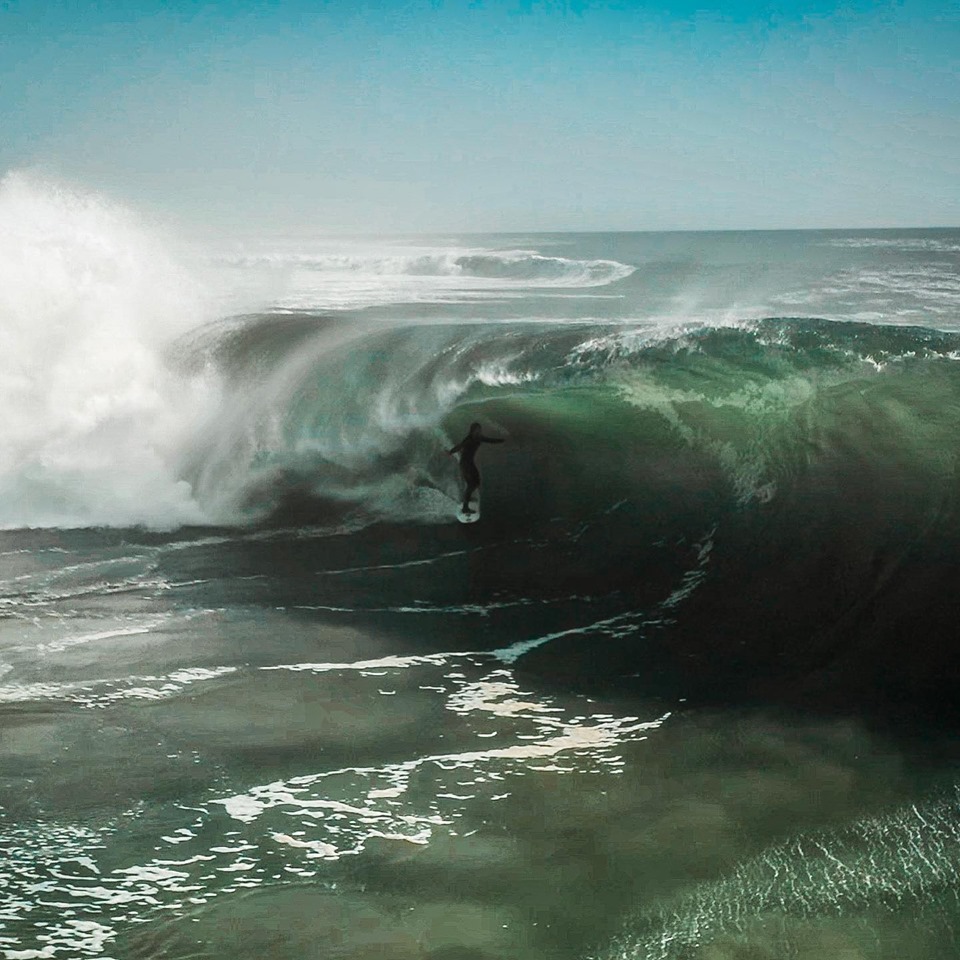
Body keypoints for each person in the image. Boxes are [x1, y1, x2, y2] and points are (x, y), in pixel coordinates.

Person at [447, 422, 504, 515]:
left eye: (479, 430)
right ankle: (465, 507)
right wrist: (450, 452)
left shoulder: (479, 437)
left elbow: (490, 440)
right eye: (477, 430)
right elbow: (460, 446)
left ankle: (467, 498)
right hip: (465, 464)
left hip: (469, 463)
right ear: (472, 430)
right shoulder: (469, 439)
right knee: (473, 484)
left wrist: (502, 440)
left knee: (474, 483)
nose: (478, 431)